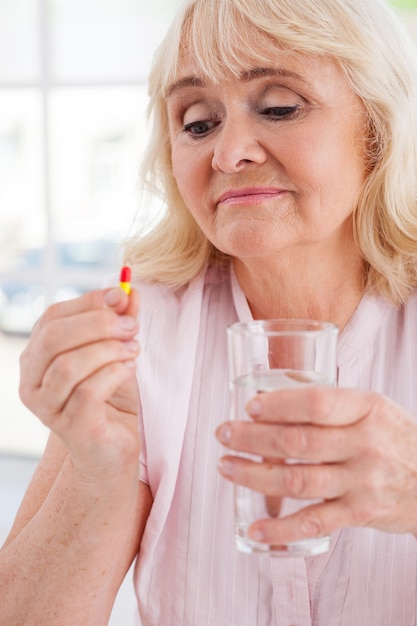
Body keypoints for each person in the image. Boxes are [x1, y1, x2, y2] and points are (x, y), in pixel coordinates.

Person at [2, 0, 417, 623]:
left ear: (380, 127)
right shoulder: (140, 342)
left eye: (280, 106)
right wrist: (98, 468)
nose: (227, 155)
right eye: (197, 122)